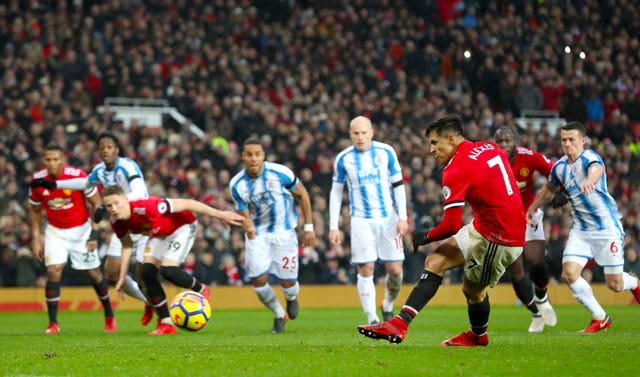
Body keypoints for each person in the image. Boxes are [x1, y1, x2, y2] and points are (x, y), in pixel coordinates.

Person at [358, 114, 525, 346]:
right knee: (435, 261)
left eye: (435, 143)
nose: (431, 149)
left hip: (500, 237)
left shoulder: (455, 169)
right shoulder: (490, 147)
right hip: (487, 225)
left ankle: (478, 337)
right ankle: (399, 324)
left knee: (472, 291)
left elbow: (451, 226)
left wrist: (423, 237)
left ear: (451, 139)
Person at [526, 121, 640, 333]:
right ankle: (600, 317)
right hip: (581, 229)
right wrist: (532, 207)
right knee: (569, 273)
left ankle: (633, 282)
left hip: (606, 227)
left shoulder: (590, 158)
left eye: (571, 140)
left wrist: (589, 180)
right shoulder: (559, 167)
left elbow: (596, 169)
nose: (567, 144)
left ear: (582, 141)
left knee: (614, 285)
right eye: (564, 140)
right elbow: (549, 190)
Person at [30, 132, 153, 326]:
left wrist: (109, 206)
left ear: (117, 150)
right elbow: (85, 184)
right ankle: (149, 302)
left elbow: (139, 192)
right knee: (111, 274)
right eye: (102, 147)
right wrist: (55, 184)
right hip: (121, 225)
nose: (106, 151)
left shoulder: (127, 166)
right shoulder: (99, 171)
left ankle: (163, 315)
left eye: (110, 147)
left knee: (143, 273)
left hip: (142, 222)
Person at [101, 185, 244, 335]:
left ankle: (201, 289)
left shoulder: (147, 206)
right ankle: (167, 323)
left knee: (168, 270)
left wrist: (220, 215)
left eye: (117, 203)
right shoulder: (116, 222)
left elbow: (188, 203)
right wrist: (122, 278)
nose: (114, 209)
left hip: (182, 226)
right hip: (161, 233)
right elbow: (127, 246)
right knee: (147, 272)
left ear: (126, 199)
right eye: (109, 206)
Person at [229, 137, 316, 333]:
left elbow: (303, 194)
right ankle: (278, 313)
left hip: (284, 233)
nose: (253, 159)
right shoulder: (237, 184)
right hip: (258, 235)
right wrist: (248, 225)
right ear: (243, 157)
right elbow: (243, 210)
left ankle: (291, 298)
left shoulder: (281, 173)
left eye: (257, 154)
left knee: (288, 282)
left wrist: (309, 226)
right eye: (249, 155)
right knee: (257, 280)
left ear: (263, 156)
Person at [29, 144, 117, 334]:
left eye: (55, 159)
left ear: (63, 159)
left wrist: (93, 233)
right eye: (48, 160)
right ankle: (53, 323)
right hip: (55, 232)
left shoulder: (77, 176)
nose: (51, 163)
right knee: (53, 271)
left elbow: (96, 203)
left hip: (81, 231)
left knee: (94, 274)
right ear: (43, 161)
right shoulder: (37, 180)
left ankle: (109, 314)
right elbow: (35, 210)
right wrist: (36, 237)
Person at [329, 115, 408, 325]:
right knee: (365, 269)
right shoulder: (343, 159)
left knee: (395, 270)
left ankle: (388, 305)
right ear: (350, 134)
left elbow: (398, 185)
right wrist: (333, 226)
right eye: (356, 133)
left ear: (372, 132)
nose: (360, 137)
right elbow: (336, 192)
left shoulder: (386, 152)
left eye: (364, 132)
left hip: (388, 219)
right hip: (361, 221)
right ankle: (372, 318)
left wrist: (403, 217)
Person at [494, 126, 559, 332]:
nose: (504, 146)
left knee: (536, 261)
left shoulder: (528, 156)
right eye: (500, 142)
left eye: (508, 141)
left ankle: (542, 297)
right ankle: (535, 314)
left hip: (529, 214)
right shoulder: (490, 160)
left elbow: (555, 170)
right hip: (504, 220)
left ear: (516, 142)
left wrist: (560, 190)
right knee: (517, 271)